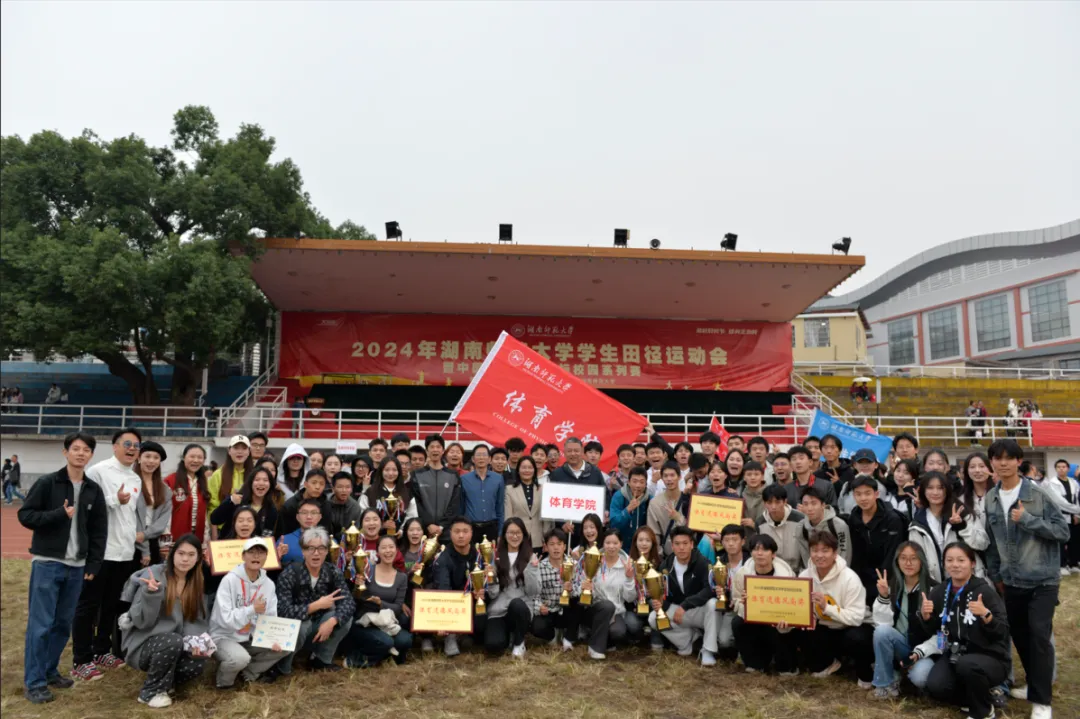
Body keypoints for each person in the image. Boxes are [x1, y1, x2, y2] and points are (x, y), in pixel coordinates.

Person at [19, 432, 106, 704]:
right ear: (65, 452)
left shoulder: (93, 489)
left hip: (77, 567)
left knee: (62, 624)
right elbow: (26, 515)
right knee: (41, 625)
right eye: (76, 449)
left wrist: (93, 563)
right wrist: (58, 514)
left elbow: (98, 530)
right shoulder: (48, 483)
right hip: (48, 563)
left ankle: (49, 670)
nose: (81, 454)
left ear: (91, 455)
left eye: (86, 450)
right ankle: (34, 682)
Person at [984, 439, 1067, 719]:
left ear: (1019, 461)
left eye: (1009, 458)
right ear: (992, 463)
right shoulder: (991, 498)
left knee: (1039, 636)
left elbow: (1062, 531)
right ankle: (1034, 684)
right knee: (1020, 637)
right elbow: (992, 542)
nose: (1003, 463)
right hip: (1011, 581)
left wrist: (1028, 520)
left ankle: (1042, 702)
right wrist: (996, 574)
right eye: (998, 458)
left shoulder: (1038, 494)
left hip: (1043, 580)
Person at [72, 427, 142, 679]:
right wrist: (114, 499)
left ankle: (102, 649)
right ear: (115, 446)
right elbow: (85, 507)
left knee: (111, 605)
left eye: (136, 445)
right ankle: (81, 659)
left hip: (125, 553)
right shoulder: (98, 471)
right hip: (100, 553)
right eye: (127, 444)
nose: (131, 449)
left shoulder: (135, 479)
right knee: (88, 606)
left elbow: (130, 516)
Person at [914, 543, 1009, 719]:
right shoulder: (940, 591)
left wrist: (986, 615)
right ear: (944, 564)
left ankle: (983, 712)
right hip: (955, 654)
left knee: (968, 665)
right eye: (949, 560)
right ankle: (979, 698)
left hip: (990, 656)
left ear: (972, 563)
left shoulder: (985, 592)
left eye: (961, 560)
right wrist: (926, 618)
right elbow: (934, 630)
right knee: (937, 686)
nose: (955, 565)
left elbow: (1002, 631)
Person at [119, 535, 210, 708]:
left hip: (175, 642)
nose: (185, 559)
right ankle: (150, 692)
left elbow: (195, 620)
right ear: (172, 554)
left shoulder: (196, 581)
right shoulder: (154, 576)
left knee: (198, 660)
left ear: (198, 558)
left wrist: (195, 642)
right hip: (145, 644)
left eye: (191, 554)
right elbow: (142, 622)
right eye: (181, 553)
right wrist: (151, 595)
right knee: (172, 641)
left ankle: (166, 683)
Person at [275, 527, 356, 673]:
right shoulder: (290, 573)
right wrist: (315, 605)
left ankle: (320, 660)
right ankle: (282, 665)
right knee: (302, 626)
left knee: (344, 618)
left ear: (326, 551)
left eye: (321, 548)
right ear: (303, 551)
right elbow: (282, 610)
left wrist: (332, 621)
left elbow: (348, 602)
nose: (316, 553)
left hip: (319, 626)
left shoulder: (332, 572)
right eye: (310, 548)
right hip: (294, 629)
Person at [210, 539, 289, 687]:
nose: (256, 556)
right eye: (251, 552)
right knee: (239, 658)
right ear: (243, 556)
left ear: (266, 557)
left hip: (251, 636)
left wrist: (273, 638)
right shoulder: (229, 580)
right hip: (225, 636)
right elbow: (225, 619)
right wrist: (252, 609)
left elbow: (271, 615)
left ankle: (248, 673)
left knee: (285, 644)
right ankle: (224, 684)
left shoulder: (268, 584)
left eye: (260, 553)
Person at [798, 530, 873, 683]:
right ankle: (828, 663)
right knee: (802, 630)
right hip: (826, 627)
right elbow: (801, 609)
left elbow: (856, 618)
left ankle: (865, 672)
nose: (819, 555)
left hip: (853, 627)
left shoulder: (850, 578)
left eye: (825, 551)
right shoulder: (804, 576)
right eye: (815, 550)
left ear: (835, 553)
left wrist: (827, 608)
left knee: (857, 638)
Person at [868, 541, 937, 699]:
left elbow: (939, 633)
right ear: (897, 561)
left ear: (921, 561)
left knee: (921, 677)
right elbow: (881, 625)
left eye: (913, 558)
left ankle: (909, 676)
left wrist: (920, 652)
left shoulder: (933, 589)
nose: (908, 563)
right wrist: (884, 596)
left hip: (923, 650)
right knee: (881, 632)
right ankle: (884, 685)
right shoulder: (892, 586)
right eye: (903, 558)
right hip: (900, 645)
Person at [649, 526, 719, 665]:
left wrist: (685, 605)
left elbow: (710, 589)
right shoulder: (665, 566)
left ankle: (708, 650)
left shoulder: (702, 562)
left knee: (713, 604)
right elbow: (662, 593)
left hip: (699, 610)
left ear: (692, 544)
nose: (681, 548)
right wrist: (660, 602)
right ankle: (687, 640)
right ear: (672, 546)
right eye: (677, 544)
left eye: (685, 543)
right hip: (680, 611)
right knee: (653, 618)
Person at [730, 534, 798, 675]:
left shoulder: (787, 575)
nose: (759, 553)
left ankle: (786, 665)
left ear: (773, 554)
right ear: (751, 553)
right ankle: (755, 663)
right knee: (738, 622)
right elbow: (736, 600)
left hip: (778, 622)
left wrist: (786, 617)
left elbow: (795, 605)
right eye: (755, 549)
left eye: (765, 550)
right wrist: (744, 605)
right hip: (754, 620)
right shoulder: (742, 574)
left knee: (785, 631)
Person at [908, 471, 988, 583]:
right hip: (935, 586)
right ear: (923, 491)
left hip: (969, 582)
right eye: (930, 488)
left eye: (940, 488)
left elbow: (982, 544)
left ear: (947, 490)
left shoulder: (963, 513)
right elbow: (917, 559)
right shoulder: (917, 524)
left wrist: (962, 526)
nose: (935, 492)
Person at [345, 534, 412, 667]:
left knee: (405, 640)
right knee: (386, 642)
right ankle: (356, 659)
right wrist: (358, 587)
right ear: (378, 552)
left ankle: (383, 655)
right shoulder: (367, 570)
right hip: (366, 621)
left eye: (391, 547)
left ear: (397, 550)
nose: (388, 551)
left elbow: (398, 607)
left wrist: (380, 603)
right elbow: (355, 598)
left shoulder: (402, 577)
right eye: (384, 548)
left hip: (387, 622)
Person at [577, 527, 639, 660]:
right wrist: (587, 588)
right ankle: (595, 648)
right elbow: (580, 585)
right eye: (608, 543)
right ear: (603, 544)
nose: (611, 546)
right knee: (607, 606)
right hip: (594, 609)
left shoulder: (627, 565)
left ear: (621, 544)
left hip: (616, 612)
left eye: (615, 543)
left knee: (618, 632)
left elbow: (630, 598)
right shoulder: (593, 559)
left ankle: (603, 640)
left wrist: (629, 579)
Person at [847, 476, 907, 609]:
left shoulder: (892, 519)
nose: (863, 498)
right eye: (858, 494)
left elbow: (892, 553)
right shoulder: (854, 518)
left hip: (886, 577)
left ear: (876, 494)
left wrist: (883, 579)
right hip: (862, 577)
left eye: (867, 493)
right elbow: (855, 552)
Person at [484, 518, 540, 657]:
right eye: (511, 533)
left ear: (524, 535)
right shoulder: (495, 556)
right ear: (504, 535)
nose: (515, 536)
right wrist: (492, 578)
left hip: (521, 607)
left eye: (518, 533)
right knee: (493, 645)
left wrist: (531, 571)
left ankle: (519, 642)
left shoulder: (531, 557)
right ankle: (509, 635)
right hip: (499, 609)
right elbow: (492, 594)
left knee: (517, 605)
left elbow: (533, 591)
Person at [431, 517, 487, 656]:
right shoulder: (443, 558)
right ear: (450, 533)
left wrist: (483, 590)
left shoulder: (479, 554)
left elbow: (488, 583)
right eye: (457, 531)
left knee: (482, 627)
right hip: (454, 603)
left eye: (465, 531)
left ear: (471, 533)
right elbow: (444, 589)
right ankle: (451, 634)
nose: (461, 535)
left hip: (475, 601)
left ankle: (466, 633)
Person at [529, 528, 575, 651]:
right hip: (548, 610)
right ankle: (552, 636)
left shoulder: (573, 565)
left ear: (564, 546)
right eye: (552, 544)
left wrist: (571, 589)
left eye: (559, 544)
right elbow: (534, 593)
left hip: (566, 610)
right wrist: (539, 607)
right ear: (545, 547)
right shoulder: (540, 567)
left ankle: (568, 636)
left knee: (577, 604)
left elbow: (580, 589)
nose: (556, 548)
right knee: (536, 627)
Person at [211, 466, 280, 539]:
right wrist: (230, 501)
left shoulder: (271, 510)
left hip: (253, 545)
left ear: (270, 484)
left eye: (265, 480)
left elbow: (266, 536)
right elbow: (215, 519)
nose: (261, 483)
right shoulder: (236, 500)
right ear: (250, 483)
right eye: (257, 479)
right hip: (229, 544)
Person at [135, 442, 172, 567]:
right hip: (131, 540)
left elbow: (162, 521)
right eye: (147, 456)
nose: (151, 461)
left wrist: (145, 535)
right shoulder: (130, 483)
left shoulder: (165, 489)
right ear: (139, 458)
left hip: (153, 540)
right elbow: (131, 517)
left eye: (156, 458)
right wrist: (144, 549)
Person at [797, 485, 852, 568]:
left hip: (838, 571)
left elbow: (845, 554)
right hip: (814, 572)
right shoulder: (801, 527)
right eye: (805, 504)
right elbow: (805, 556)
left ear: (823, 505)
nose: (809, 508)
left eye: (814, 503)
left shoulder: (838, 525)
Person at [359, 457, 418, 534]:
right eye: (387, 470)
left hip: (401, 537)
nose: (390, 473)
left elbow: (412, 516)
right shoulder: (370, 492)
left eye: (394, 470)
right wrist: (381, 526)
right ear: (381, 471)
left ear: (399, 472)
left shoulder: (407, 493)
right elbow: (363, 515)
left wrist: (401, 531)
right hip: (375, 536)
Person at [164, 445, 210, 543]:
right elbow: (163, 513)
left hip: (197, 539)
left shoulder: (203, 482)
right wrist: (166, 539)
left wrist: (205, 540)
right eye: (192, 456)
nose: (196, 460)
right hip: (175, 539)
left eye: (200, 457)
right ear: (183, 458)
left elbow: (204, 515)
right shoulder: (171, 480)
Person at [209, 437, 254, 537]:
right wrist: (214, 536)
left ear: (249, 452)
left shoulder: (254, 474)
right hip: (224, 531)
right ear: (229, 451)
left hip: (250, 531)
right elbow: (212, 507)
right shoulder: (218, 475)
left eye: (244, 448)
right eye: (236, 448)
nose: (240, 452)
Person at [459, 444, 505, 541]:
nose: (481, 458)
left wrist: (500, 532)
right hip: (470, 527)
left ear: (489, 459)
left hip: (491, 527)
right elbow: (461, 507)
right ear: (473, 459)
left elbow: (500, 507)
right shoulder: (464, 479)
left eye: (484, 455)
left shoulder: (498, 479)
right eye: (478, 455)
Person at [757, 484, 806, 573]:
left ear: (785, 501)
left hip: (797, 571)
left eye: (777, 502)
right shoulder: (760, 523)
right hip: (772, 572)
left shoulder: (800, 519)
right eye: (769, 502)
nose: (773, 506)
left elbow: (806, 548)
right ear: (764, 503)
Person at [503, 456, 548, 552]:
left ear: (534, 470)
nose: (527, 470)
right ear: (518, 470)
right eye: (523, 467)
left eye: (530, 467)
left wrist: (546, 538)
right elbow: (508, 516)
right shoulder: (510, 490)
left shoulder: (543, 489)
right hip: (517, 538)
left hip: (538, 539)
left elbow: (546, 518)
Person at [646, 462, 688, 554]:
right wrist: (659, 555)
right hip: (666, 554)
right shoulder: (655, 503)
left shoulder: (688, 499)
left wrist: (678, 518)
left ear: (679, 477)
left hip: (688, 552)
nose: (669, 479)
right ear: (661, 478)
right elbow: (654, 533)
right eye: (665, 476)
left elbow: (693, 530)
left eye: (672, 475)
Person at [278, 469, 331, 537]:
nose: (317, 487)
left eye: (321, 484)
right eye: (314, 483)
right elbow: (284, 533)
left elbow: (327, 531)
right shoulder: (290, 506)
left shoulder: (326, 505)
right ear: (305, 484)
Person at [609, 466, 650, 553]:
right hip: (621, 548)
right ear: (628, 482)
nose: (638, 485)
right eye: (634, 481)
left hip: (643, 548)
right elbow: (614, 523)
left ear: (646, 483)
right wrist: (627, 510)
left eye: (641, 482)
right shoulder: (619, 496)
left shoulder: (650, 499)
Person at [278, 498, 328, 566]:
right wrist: (278, 557)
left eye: (313, 513)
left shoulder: (329, 540)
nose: (309, 517)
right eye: (304, 513)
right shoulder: (284, 541)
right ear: (297, 517)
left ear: (320, 517)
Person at [1053, 459, 1080, 573]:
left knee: (1074, 540)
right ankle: (1062, 565)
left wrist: (1077, 514)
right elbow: (1060, 502)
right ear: (1056, 469)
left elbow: (1077, 499)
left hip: (1074, 516)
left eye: (1063, 467)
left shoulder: (1073, 482)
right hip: (1061, 516)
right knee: (1062, 541)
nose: (1061, 469)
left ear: (1068, 469)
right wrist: (1076, 510)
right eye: (1058, 467)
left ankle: (1073, 563)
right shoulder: (1053, 483)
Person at [327, 472, 362, 538]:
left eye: (348, 487)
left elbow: (354, 531)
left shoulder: (355, 507)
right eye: (340, 487)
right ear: (333, 488)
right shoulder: (325, 502)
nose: (344, 490)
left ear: (352, 489)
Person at [739, 461, 767, 530]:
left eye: (756, 474)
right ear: (744, 477)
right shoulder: (741, 496)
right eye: (749, 474)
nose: (753, 478)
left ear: (762, 477)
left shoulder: (769, 495)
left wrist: (754, 525)